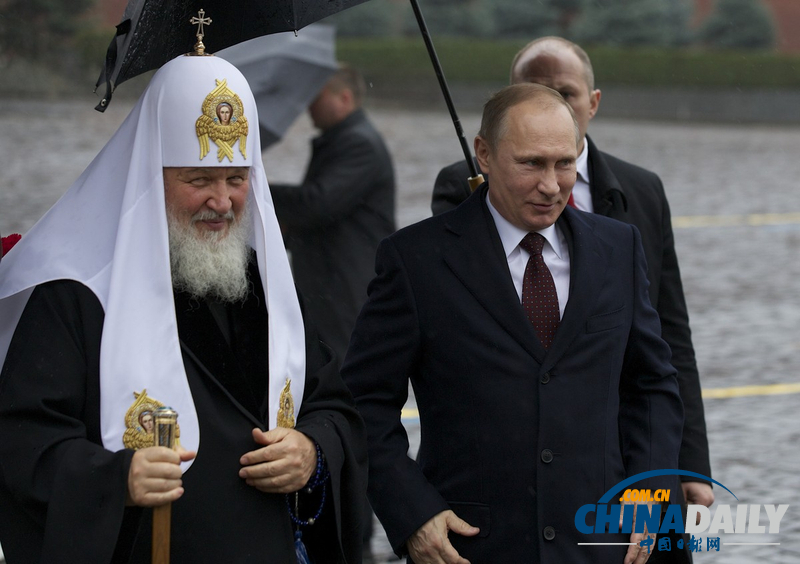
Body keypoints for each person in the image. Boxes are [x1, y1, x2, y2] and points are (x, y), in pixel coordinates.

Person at [0, 52, 366, 563]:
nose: (222, 201)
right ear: (150, 176)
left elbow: (334, 404)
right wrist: (115, 478)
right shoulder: (78, 295)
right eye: (199, 180)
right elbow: (20, 441)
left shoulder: (263, 282)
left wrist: (312, 449)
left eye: (237, 179)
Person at [342, 84, 684, 563]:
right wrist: (413, 512)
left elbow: (653, 386)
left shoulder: (619, 249)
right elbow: (361, 403)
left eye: (565, 163)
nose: (552, 185)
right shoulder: (415, 261)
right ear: (483, 153)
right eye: (531, 164)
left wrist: (650, 491)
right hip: (469, 548)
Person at [431, 37, 714, 521]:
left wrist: (688, 464)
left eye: (566, 92)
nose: (553, 104)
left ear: (593, 102)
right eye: (534, 89)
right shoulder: (462, 187)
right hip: (513, 462)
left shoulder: (641, 190)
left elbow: (669, 337)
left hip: (625, 450)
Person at [270, 65, 396, 367]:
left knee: (342, 366)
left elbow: (318, 203)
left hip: (346, 282)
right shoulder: (342, 138)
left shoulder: (358, 143)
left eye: (317, 95)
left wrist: (257, 188)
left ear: (344, 98)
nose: (309, 104)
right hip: (333, 277)